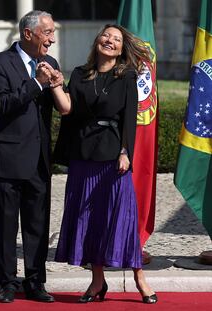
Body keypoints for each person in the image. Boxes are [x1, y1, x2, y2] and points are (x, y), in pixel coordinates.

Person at [43, 24, 158, 304]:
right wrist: (56, 85)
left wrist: (125, 152)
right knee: (89, 219)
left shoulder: (127, 76)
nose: (109, 41)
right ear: (98, 41)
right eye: (106, 36)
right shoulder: (80, 74)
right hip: (83, 155)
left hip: (113, 156)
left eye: (116, 39)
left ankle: (139, 277)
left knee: (122, 219)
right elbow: (67, 108)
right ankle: (97, 281)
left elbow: (129, 119)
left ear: (121, 49)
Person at [0, 10, 63, 303]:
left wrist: (55, 86)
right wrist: (37, 84)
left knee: (37, 225)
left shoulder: (50, 63)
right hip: (6, 159)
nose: (52, 39)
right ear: (28, 34)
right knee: (4, 226)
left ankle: (36, 281)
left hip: (39, 161)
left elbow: (62, 108)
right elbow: (2, 105)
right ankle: (7, 282)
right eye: (48, 32)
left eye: (53, 32)